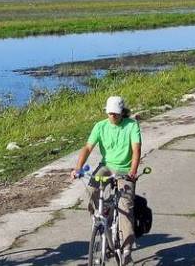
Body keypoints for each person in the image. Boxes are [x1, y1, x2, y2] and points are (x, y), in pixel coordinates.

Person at [71, 96, 142, 265]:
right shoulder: (100, 126)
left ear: (122, 112)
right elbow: (88, 148)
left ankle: (126, 249)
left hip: (125, 169)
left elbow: (136, 149)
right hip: (107, 166)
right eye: (110, 113)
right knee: (91, 192)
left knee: (125, 207)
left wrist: (132, 172)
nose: (113, 117)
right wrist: (78, 168)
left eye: (116, 114)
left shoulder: (132, 125)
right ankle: (101, 218)